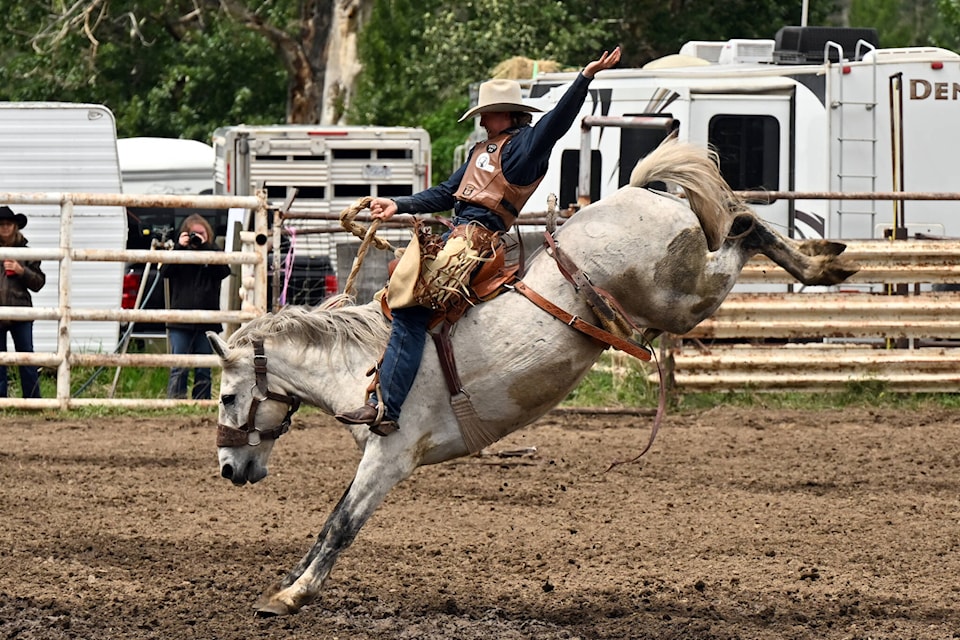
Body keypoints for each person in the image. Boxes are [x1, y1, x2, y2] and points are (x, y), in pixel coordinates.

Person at [336, 46, 623, 436]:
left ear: (506, 114)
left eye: (487, 112)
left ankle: (387, 407)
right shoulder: (480, 151)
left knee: (409, 309)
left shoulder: (526, 147)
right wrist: (397, 203)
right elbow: (444, 193)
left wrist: (584, 79)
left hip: (476, 242)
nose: (483, 118)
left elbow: (557, 122)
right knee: (398, 302)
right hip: (458, 237)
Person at [159, 214, 231, 400]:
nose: (197, 237)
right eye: (193, 234)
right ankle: (175, 403)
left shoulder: (214, 254)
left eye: (201, 233)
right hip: (180, 321)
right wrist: (178, 248)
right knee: (179, 367)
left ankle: (202, 405)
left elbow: (224, 272)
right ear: (185, 234)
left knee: (203, 369)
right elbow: (165, 272)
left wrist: (206, 248)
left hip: (207, 322)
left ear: (208, 234)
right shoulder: (179, 254)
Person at [0, 206, 46, 398]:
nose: (4, 228)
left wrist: (21, 271)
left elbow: (39, 282)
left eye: (8, 224)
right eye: (1, 225)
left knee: (27, 358)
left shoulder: (27, 253)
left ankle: (33, 399)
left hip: (21, 311)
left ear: (15, 226)